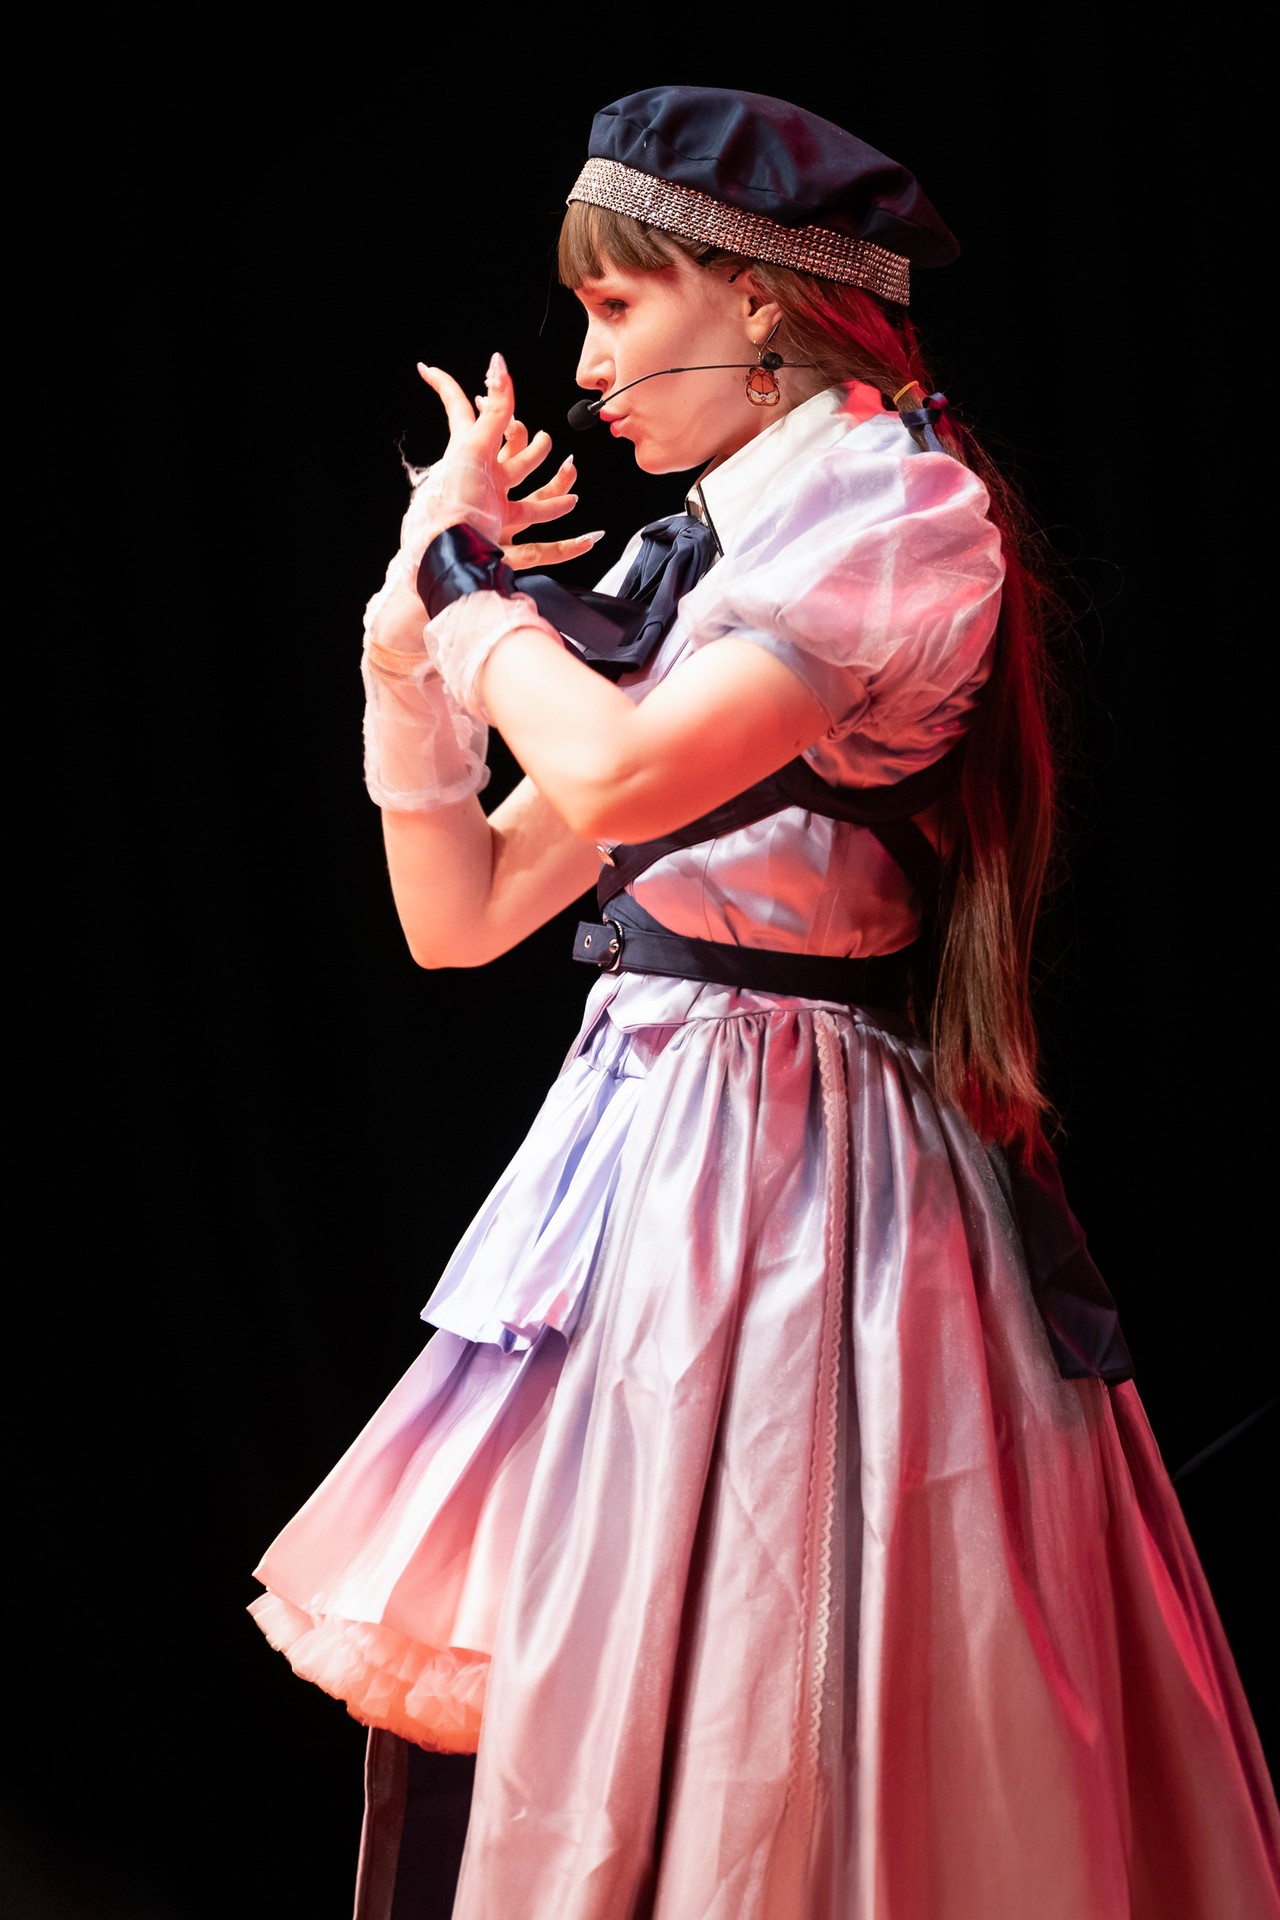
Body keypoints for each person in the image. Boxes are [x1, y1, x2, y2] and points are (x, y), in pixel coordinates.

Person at [249, 85, 1280, 1920]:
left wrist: (470, 592)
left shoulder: (896, 519)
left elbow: (625, 772)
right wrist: (403, 653)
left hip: (815, 1189)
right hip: (650, 1167)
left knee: (797, 1686)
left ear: (756, 296)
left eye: (617, 308)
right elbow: (461, 917)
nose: (589, 371)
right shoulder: (708, 557)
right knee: (637, 1680)